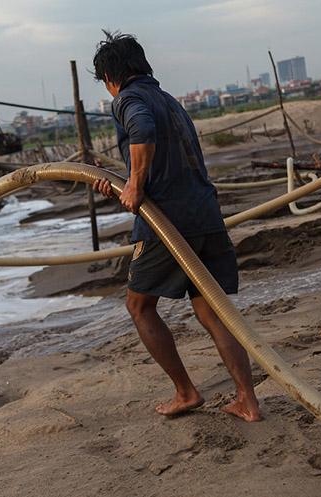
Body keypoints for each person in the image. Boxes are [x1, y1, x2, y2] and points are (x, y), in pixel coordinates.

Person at [91, 31, 261, 422]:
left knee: (139, 306)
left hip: (167, 224)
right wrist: (122, 179)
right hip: (205, 214)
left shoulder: (128, 100)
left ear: (110, 77)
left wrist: (133, 184)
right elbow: (161, 158)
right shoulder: (169, 100)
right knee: (213, 311)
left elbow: (142, 130)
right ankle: (247, 402)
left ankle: (186, 392)